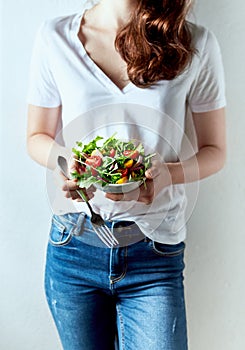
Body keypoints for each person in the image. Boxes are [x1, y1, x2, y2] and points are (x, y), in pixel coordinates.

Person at [26, 0, 226, 349]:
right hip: (74, 246)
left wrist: (167, 175)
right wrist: (67, 161)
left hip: (154, 251)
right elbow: (36, 137)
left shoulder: (193, 42)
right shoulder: (55, 37)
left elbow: (216, 151)